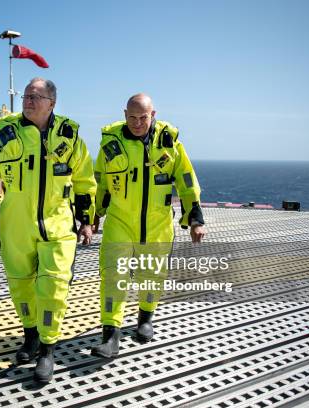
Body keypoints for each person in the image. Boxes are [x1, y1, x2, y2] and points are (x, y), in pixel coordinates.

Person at [0, 78, 96, 382]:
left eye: (35, 96)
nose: (28, 101)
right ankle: (31, 336)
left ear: (52, 102)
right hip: (16, 224)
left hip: (58, 224)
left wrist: (87, 220)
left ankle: (48, 351)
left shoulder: (70, 135)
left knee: (52, 288)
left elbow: (84, 181)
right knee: (21, 284)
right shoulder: (5, 132)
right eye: (26, 96)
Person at [91, 93, 205, 358]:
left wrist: (196, 218)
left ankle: (145, 319)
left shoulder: (169, 142)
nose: (137, 123)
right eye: (132, 117)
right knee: (112, 277)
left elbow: (186, 180)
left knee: (151, 275)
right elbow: (100, 182)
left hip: (157, 223)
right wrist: (91, 215)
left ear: (153, 114)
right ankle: (110, 335)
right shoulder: (112, 142)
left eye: (143, 117)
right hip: (119, 221)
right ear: (124, 114)